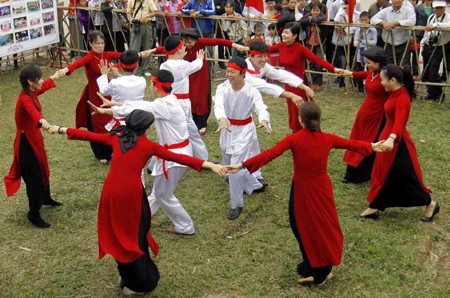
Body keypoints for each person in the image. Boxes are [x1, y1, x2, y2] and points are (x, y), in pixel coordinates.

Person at [48, 110, 226, 295]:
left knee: (118, 233)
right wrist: (210, 164)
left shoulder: (117, 137)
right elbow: (179, 157)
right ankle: (136, 283)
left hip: (110, 192)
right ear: (147, 129)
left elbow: (88, 135)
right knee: (133, 237)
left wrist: (60, 128)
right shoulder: (148, 145)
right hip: (129, 196)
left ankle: (125, 275)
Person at [226, 102, 383, 286]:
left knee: (310, 227)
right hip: (312, 188)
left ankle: (321, 272)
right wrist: (372, 146)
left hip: (308, 190)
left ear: (300, 120)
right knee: (306, 226)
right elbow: (352, 144)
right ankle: (313, 265)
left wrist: (242, 165)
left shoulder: (296, 139)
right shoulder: (326, 138)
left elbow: (270, 154)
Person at [90, 69, 212, 235]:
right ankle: (141, 218)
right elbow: (142, 105)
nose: (149, 88)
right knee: (159, 192)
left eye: (151, 85)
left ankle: (185, 226)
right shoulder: (169, 100)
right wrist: (113, 105)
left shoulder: (163, 105)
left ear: (156, 85)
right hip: (178, 154)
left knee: (163, 195)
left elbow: (141, 108)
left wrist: (106, 111)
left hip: (175, 158)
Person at [358, 65, 439, 223]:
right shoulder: (394, 93)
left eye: (383, 79)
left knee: (407, 177)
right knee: (381, 174)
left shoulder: (402, 98)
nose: (381, 83)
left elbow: (400, 122)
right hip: (388, 141)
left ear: (393, 80)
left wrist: (391, 138)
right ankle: (374, 207)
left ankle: (431, 204)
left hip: (398, 144)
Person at [143, 28, 248, 135]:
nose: (187, 44)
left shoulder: (200, 43)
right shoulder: (180, 47)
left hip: (200, 73)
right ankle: (190, 119)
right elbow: (166, 49)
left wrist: (235, 45)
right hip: (186, 73)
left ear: (195, 40)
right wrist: (151, 51)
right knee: (190, 96)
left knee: (200, 96)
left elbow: (218, 41)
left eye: (190, 42)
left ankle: (202, 123)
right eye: (184, 42)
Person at [4, 65, 65, 229]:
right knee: (34, 178)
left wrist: (55, 77)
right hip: (26, 143)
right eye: (40, 78)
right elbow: (33, 112)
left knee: (43, 168)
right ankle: (33, 214)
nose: (42, 80)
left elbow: (43, 87)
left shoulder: (31, 91)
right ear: (31, 81)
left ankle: (46, 198)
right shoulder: (24, 98)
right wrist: (43, 121)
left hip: (35, 138)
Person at [214, 57, 271, 220]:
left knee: (234, 167)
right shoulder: (222, 88)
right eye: (227, 71)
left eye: (232, 71)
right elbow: (218, 104)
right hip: (227, 128)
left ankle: (236, 204)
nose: (229, 74)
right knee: (227, 159)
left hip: (244, 131)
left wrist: (264, 119)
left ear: (242, 73)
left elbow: (261, 107)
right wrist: (222, 118)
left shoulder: (251, 91)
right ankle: (255, 184)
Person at [57, 31, 122, 164]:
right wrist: (66, 70)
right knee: (96, 123)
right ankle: (100, 153)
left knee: (111, 120)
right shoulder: (89, 57)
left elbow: (124, 56)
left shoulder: (107, 55)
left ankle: (112, 148)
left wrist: (142, 54)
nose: (100, 46)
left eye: (102, 43)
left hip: (107, 92)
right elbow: (77, 64)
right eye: (97, 43)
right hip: (94, 94)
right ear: (91, 44)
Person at [269, 22, 341, 132]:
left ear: (295, 36)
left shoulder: (300, 48)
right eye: (283, 32)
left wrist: (334, 69)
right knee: (292, 111)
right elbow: (265, 49)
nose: (284, 35)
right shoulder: (281, 46)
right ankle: (296, 134)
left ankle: (307, 132)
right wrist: (245, 48)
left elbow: (317, 60)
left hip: (300, 84)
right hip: (288, 84)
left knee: (301, 110)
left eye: (287, 33)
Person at [340, 46, 389, 184]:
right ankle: (352, 170)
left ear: (379, 62)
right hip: (366, 111)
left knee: (370, 140)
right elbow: (365, 75)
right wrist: (349, 73)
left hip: (379, 114)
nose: (367, 66)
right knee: (358, 137)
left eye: (369, 63)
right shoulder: (372, 73)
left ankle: (362, 173)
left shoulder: (386, 76)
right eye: (366, 63)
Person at [159, 35, 209, 160]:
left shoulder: (164, 65)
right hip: (181, 103)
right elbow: (197, 66)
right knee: (190, 131)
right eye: (182, 47)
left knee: (169, 132)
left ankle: (202, 158)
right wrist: (199, 58)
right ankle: (202, 158)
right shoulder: (181, 65)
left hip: (170, 101)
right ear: (178, 50)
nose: (185, 49)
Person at [244, 41, 314, 108]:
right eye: (260, 57)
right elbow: (265, 86)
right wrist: (291, 95)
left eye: (265, 56)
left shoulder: (264, 66)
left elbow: (281, 75)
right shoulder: (243, 70)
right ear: (251, 56)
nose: (263, 59)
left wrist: (305, 87)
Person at [96, 49, 146, 131]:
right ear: (136, 65)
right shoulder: (142, 81)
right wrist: (118, 75)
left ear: (122, 66)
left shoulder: (115, 82)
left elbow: (103, 91)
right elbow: (128, 82)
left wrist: (104, 75)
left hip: (120, 121)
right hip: (137, 119)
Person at [420, 0, 450, 101]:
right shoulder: (431, 17)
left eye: (440, 8)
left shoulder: (448, 17)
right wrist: (422, 44)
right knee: (426, 73)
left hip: (440, 46)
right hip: (428, 45)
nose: (438, 10)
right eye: (436, 8)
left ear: (444, 8)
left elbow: (448, 25)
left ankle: (440, 94)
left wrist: (436, 25)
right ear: (433, 8)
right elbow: (426, 32)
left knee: (433, 72)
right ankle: (431, 94)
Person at [370, 0, 416, 66]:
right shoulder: (386, 11)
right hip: (388, 45)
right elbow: (373, 19)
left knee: (404, 68)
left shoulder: (408, 10)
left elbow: (412, 21)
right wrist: (383, 23)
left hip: (403, 45)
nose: (397, 0)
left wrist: (396, 23)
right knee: (388, 68)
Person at [301, 2, 327, 91]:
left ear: (320, 10)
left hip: (319, 42)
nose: (315, 12)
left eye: (317, 10)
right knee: (310, 62)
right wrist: (310, 19)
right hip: (310, 41)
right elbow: (302, 20)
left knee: (319, 62)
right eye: (313, 10)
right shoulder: (308, 15)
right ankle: (312, 82)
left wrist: (311, 19)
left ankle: (318, 83)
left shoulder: (323, 16)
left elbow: (318, 19)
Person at [127, 0, 158, 76]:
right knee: (134, 48)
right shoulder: (130, 1)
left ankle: (145, 69)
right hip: (136, 26)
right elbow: (128, 12)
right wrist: (131, 19)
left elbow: (155, 12)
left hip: (147, 24)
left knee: (147, 47)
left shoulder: (149, 1)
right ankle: (132, 69)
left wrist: (147, 16)